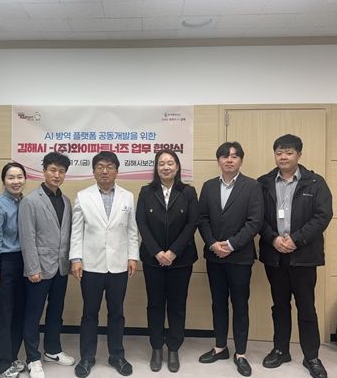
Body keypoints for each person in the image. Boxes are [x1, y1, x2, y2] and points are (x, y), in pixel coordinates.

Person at [258, 134, 332, 378]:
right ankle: (281, 350)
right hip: (274, 255)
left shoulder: (315, 182)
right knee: (279, 305)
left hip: (304, 255)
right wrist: (273, 238)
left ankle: (312, 357)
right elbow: (257, 217)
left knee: (306, 306)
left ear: (299, 155)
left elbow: (323, 216)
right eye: (279, 152)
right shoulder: (264, 183)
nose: (283, 157)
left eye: (289, 152)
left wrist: (296, 239)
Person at [70, 151, 139, 378]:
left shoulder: (127, 196)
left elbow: (131, 230)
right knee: (90, 313)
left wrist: (132, 256)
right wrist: (76, 259)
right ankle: (87, 357)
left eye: (110, 167)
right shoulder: (83, 196)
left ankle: (116, 355)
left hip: (119, 265)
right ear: (93, 171)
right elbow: (77, 231)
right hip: (91, 265)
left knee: (117, 313)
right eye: (100, 166)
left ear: (117, 171)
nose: (105, 171)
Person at [197, 142, 263, 377]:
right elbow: (202, 218)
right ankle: (220, 347)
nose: (229, 160)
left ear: (241, 160)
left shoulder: (252, 186)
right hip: (214, 256)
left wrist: (232, 244)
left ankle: (241, 353)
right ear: (218, 161)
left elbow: (255, 221)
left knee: (240, 305)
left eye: (234, 156)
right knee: (218, 303)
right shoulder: (208, 186)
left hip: (240, 257)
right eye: (225, 156)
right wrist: (213, 243)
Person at [135, 149, 198, 373]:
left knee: (177, 305)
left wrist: (172, 252)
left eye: (170, 163)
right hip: (153, 260)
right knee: (155, 304)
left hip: (181, 260)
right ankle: (156, 347)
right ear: (156, 167)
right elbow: (141, 222)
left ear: (177, 167)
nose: (166, 167)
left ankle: (173, 348)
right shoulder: (146, 191)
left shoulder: (188, 192)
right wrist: (156, 252)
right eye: (161, 163)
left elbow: (192, 223)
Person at [18, 152, 75, 378]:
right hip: (39, 269)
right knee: (33, 314)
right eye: (53, 170)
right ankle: (33, 358)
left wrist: (70, 262)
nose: (57, 175)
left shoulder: (66, 201)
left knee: (56, 311)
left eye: (61, 171)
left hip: (60, 267)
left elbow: (67, 235)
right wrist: (32, 268)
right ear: (44, 171)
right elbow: (27, 238)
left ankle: (52, 350)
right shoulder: (30, 201)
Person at [0, 162, 28, 378]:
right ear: (3, 181)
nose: (16, 181)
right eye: (11, 177)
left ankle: (10, 357)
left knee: (17, 312)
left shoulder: (25, 203)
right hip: (2, 262)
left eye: (19, 177)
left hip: (22, 262)